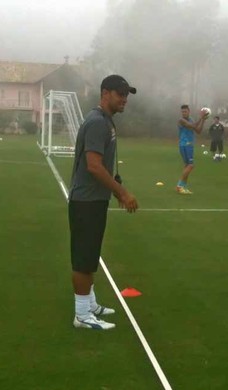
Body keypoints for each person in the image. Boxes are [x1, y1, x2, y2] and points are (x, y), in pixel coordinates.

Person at [69, 74, 139, 330]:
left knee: (90, 255)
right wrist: (123, 192)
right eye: (120, 94)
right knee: (83, 258)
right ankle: (82, 314)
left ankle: (90, 304)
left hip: (94, 200)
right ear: (105, 93)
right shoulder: (98, 122)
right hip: (86, 200)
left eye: (126, 95)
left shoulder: (105, 121)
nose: (124, 100)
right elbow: (94, 166)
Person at [176, 104, 208, 194]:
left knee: (187, 166)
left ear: (189, 111)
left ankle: (184, 187)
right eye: (182, 112)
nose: (183, 113)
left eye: (185, 111)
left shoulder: (191, 120)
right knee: (190, 165)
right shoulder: (181, 120)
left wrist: (203, 120)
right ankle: (179, 185)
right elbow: (192, 126)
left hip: (189, 145)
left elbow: (198, 131)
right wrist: (201, 118)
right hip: (185, 144)